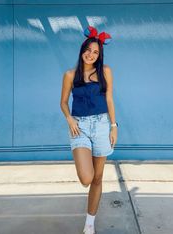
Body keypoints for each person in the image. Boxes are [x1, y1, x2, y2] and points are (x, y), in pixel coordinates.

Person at [60, 25, 118, 234]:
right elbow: (63, 102)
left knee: (98, 178)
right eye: (88, 50)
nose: (91, 55)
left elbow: (109, 99)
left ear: (99, 55)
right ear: (82, 49)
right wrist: (69, 119)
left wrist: (113, 126)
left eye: (96, 52)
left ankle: (89, 224)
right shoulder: (70, 75)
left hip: (102, 125)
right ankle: (90, 215)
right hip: (80, 127)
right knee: (87, 178)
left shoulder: (105, 72)